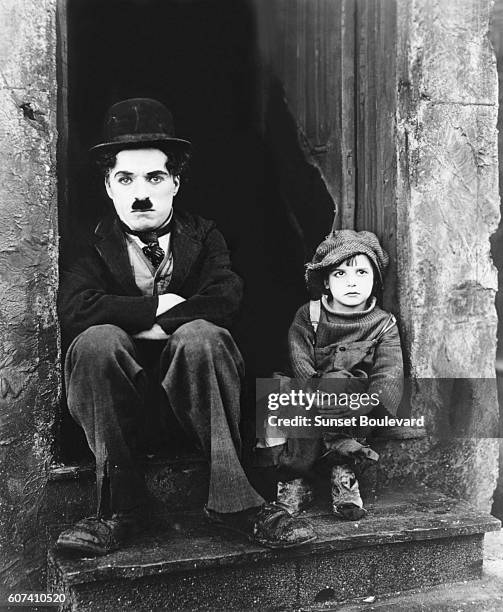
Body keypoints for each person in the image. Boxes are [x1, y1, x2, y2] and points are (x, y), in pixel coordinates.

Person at [56, 98, 316, 555]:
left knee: (202, 336)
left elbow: (225, 300)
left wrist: (166, 325)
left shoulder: (205, 234)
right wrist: (160, 309)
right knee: (96, 341)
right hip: (120, 413)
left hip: (202, 406)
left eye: (155, 178)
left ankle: (236, 503)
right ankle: (120, 509)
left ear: (176, 182)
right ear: (108, 185)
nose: (141, 193)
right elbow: (78, 309)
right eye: (126, 179)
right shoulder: (89, 242)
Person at [256, 230, 404, 519]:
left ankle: (344, 473)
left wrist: (370, 403)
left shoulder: (383, 324)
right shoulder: (308, 315)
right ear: (325, 280)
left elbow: (389, 372)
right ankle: (294, 480)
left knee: (341, 384)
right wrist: (314, 393)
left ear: (375, 279)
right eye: (340, 273)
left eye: (362, 272)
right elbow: (298, 359)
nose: (352, 281)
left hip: (351, 403)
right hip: (311, 391)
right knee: (276, 391)